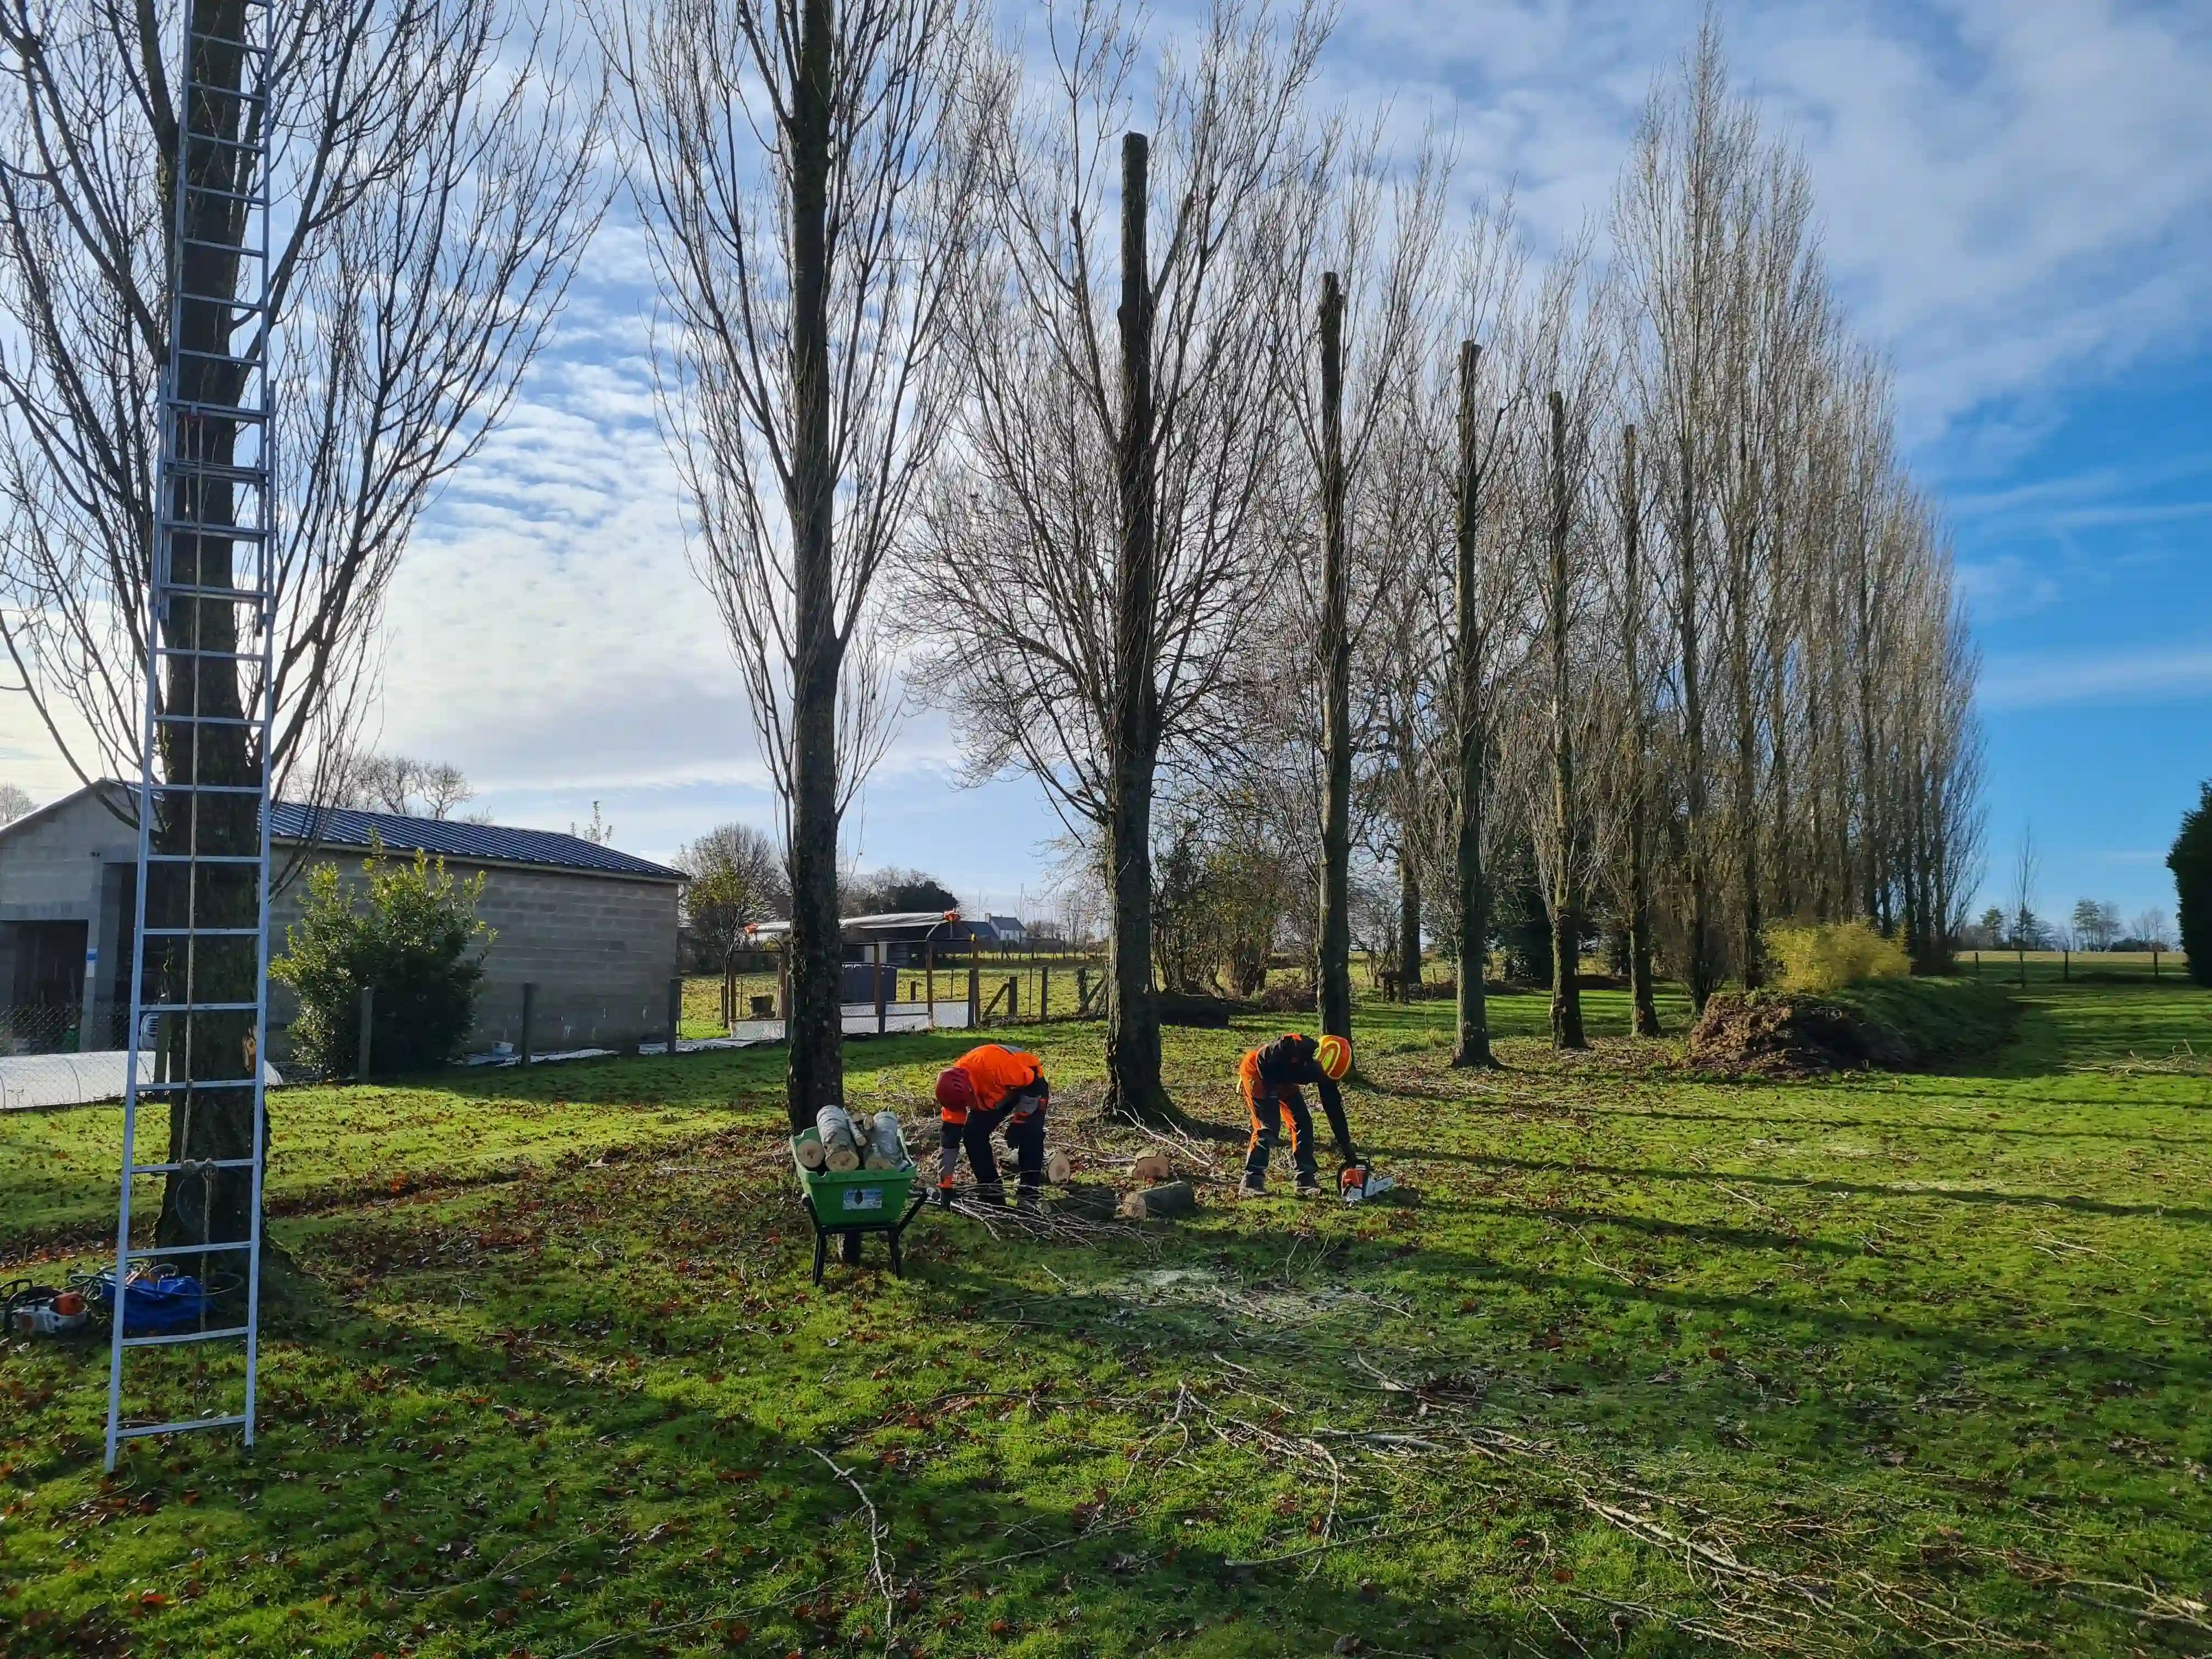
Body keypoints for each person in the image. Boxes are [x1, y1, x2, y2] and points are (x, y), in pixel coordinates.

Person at [934, 1043, 1051, 1211]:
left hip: (1029, 1085)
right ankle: (991, 1191)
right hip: (992, 1096)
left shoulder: (996, 1067)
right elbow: (949, 1141)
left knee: (1030, 1133)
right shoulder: (952, 1095)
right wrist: (945, 1185)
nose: (965, 1109)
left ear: (970, 1090)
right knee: (973, 1135)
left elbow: (1034, 1086)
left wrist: (1020, 1120)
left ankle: (1029, 1195)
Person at [1238, 1031, 1355, 1198]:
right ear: (1321, 1056)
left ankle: (1305, 1180)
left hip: (1285, 1079)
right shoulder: (1295, 1045)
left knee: (1303, 1123)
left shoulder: (1324, 1073)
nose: (1320, 1075)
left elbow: (1333, 1109)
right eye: (1321, 1070)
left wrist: (1347, 1147)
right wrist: (1271, 1094)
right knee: (1268, 1128)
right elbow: (1263, 1058)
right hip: (1258, 1071)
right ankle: (1251, 1181)